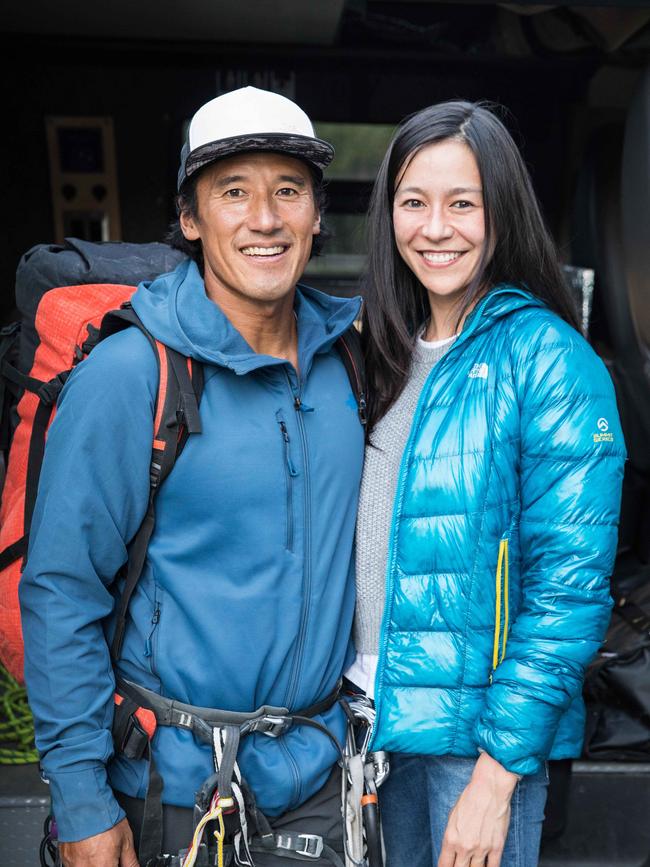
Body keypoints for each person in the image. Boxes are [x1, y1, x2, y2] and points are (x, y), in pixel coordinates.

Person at [19, 86, 365, 867]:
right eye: (233, 192)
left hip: (318, 786)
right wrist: (79, 800)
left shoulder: (350, 364)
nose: (265, 218)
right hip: (170, 794)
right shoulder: (131, 374)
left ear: (317, 214)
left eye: (288, 191)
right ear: (190, 219)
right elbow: (61, 589)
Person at [346, 101, 626, 867]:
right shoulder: (377, 356)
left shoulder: (550, 361)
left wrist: (495, 779)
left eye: (462, 203)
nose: (436, 227)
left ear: (501, 212)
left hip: (473, 749)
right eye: (414, 202)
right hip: (368, 725)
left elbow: (569, 595)